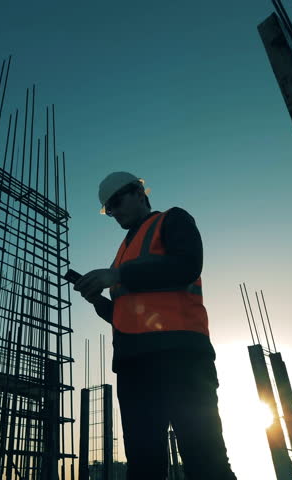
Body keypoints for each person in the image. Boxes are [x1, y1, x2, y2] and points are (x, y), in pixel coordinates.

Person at [74, 172, 237, 480]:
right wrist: (98, 300)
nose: (113, 212)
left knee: (205, 459)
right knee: (144, 466)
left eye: (117, 202)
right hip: (134, 366)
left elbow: (187, 264)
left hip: (182, 358)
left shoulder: (172, 220)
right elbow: (126, 314)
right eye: (108, 209)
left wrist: (116, 276)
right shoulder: (122, 252)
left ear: (139, 192)